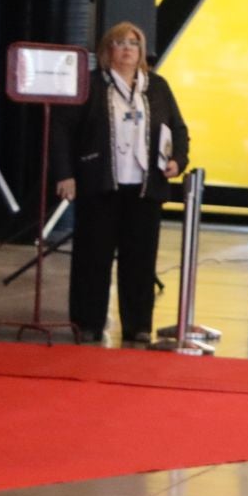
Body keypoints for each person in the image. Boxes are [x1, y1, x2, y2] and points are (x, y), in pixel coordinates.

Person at [53, 21, 189, 347]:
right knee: (92, 258)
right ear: (106, 50)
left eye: (134, 43)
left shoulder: (157, 87)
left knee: (140, 261)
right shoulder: (91, 85)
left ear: (141, 51)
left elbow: (179, 130)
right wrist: (65, 174)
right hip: (100, 184)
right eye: (119, 42)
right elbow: (61, 131)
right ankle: (87, 323)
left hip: (144, 187)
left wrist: (178, 161)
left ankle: (138, 325)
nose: (127, 48)